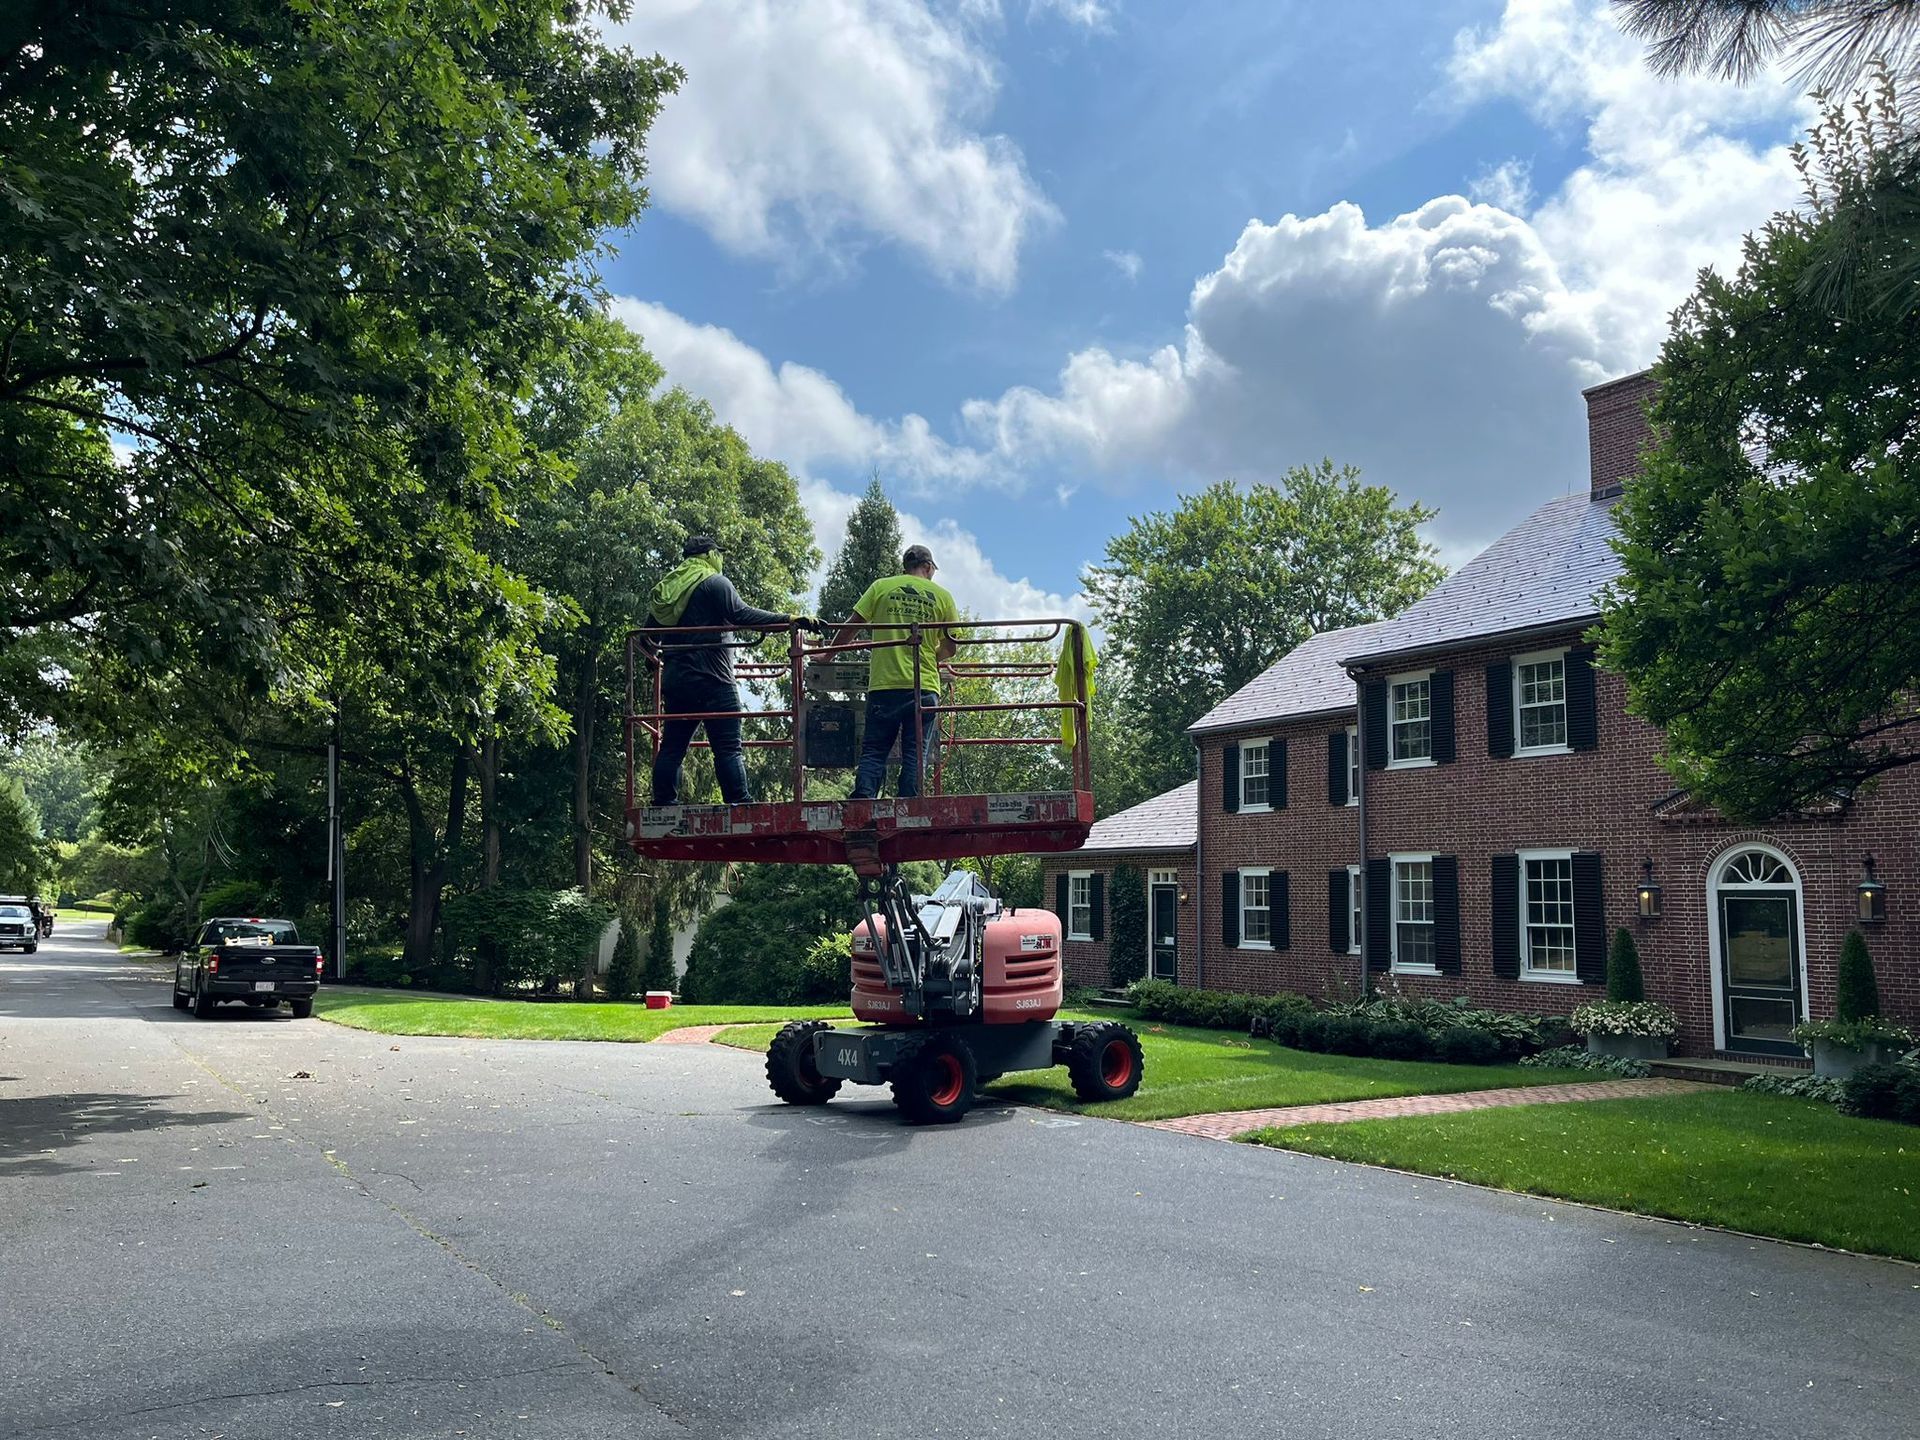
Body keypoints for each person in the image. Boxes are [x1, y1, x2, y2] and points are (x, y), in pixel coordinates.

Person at [646, 537, 817, 806]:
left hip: (678, 681)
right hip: (715, 680)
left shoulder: (668, 589)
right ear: (710, 554)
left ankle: (663, 803)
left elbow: (647, 637)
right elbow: (741, 614)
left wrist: (653, 660)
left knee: (672, 746)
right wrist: (789, 620)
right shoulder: (714, 582)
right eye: (719, 554)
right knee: (727, 748)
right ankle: (739, 802)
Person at [834, 544, 960, 799]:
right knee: (915, 753)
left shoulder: (882, 586)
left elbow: (852, 625)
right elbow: (952, 646)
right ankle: (910, 807)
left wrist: (828, 654)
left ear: (905, 567)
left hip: (885, 685)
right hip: (923, 686)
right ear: (927, 567)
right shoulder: (943, 596)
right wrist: (932, 656)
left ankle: (864, 801)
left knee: (875, 750)